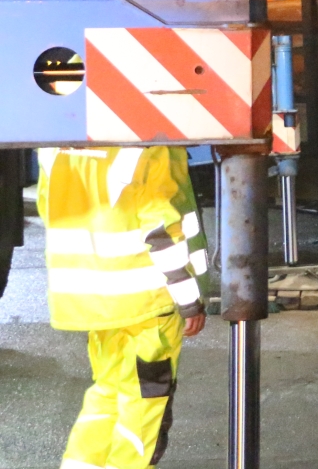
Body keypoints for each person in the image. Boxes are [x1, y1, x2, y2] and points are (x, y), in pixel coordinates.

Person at [38, 145, 208, 469]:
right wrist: (189, 298)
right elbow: (161, 227)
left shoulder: (55, 144)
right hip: (146, 301)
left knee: (107, 394)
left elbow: (49, 209)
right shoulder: (151, 144)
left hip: (91, 301)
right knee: (144, 407)